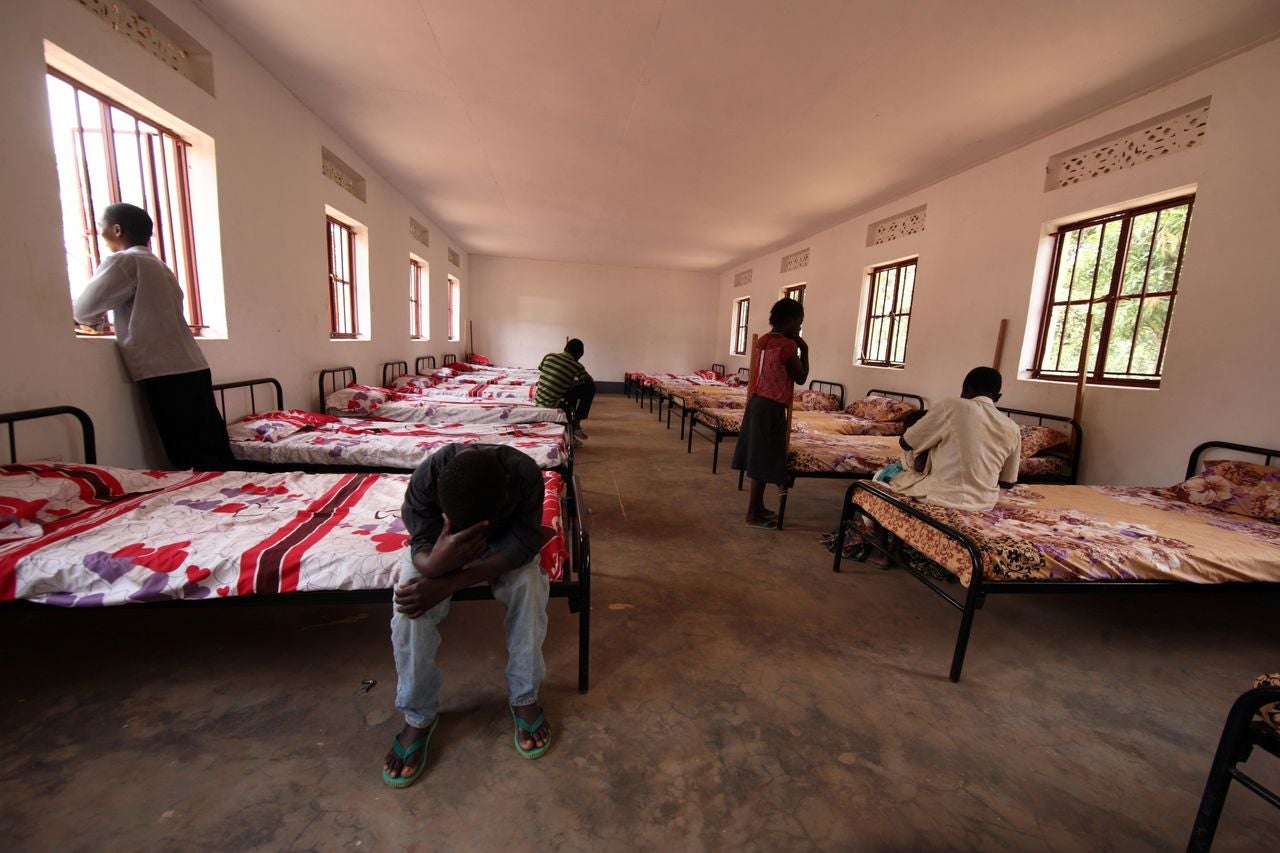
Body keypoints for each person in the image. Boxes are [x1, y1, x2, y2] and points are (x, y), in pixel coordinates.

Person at [383, 444, 552, 788]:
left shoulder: (524, 474)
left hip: (504, 548)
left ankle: (525, 695)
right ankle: (417, 712)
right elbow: (420, 542)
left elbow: (521, 546)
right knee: (409, 605)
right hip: (439, 547)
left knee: (529, 590)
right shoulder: (428, 476)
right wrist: (433, 566)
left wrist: (448, 584)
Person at [72, 203, 232, 471]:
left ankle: (220, 500)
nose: (100, 235)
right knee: (211, 443)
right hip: (193, 365)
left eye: (102, 229)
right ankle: (241, 493)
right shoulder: (159, 266)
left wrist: (93, 322)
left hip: (164, 369)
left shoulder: (125, 261)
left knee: (186, 450)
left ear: (117, 229)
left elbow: (85, 308)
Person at [883, 366, 1021, 510]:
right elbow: (1007, 483)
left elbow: (906, 442)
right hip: (985, 503)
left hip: (943, 496)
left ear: (965, 389)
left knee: (893, 470)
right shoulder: (1013, 427)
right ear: (998, 397)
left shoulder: (953, 405)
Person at [731, 297, 809, 528]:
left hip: (756, 402)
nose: (799, 328)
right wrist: (805, 350)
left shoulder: (763, 341)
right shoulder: (787, 346)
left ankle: (758, 507)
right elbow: (801, 377)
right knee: (764, 458)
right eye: (798, 323)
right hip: (772, 406)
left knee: (759, 455)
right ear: (788, 320)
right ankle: (753, 512)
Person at [535, 338, 594, 443]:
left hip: (539, 399)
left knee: (571, 393)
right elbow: (589, 381)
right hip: (554, 403)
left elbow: (542, 369)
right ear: (580, 355)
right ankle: (575, 424)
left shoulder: (549, 356)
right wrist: (572, 383)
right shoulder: (576, 365)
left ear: (565, 348)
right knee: (590, 388)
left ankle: (570, 432)